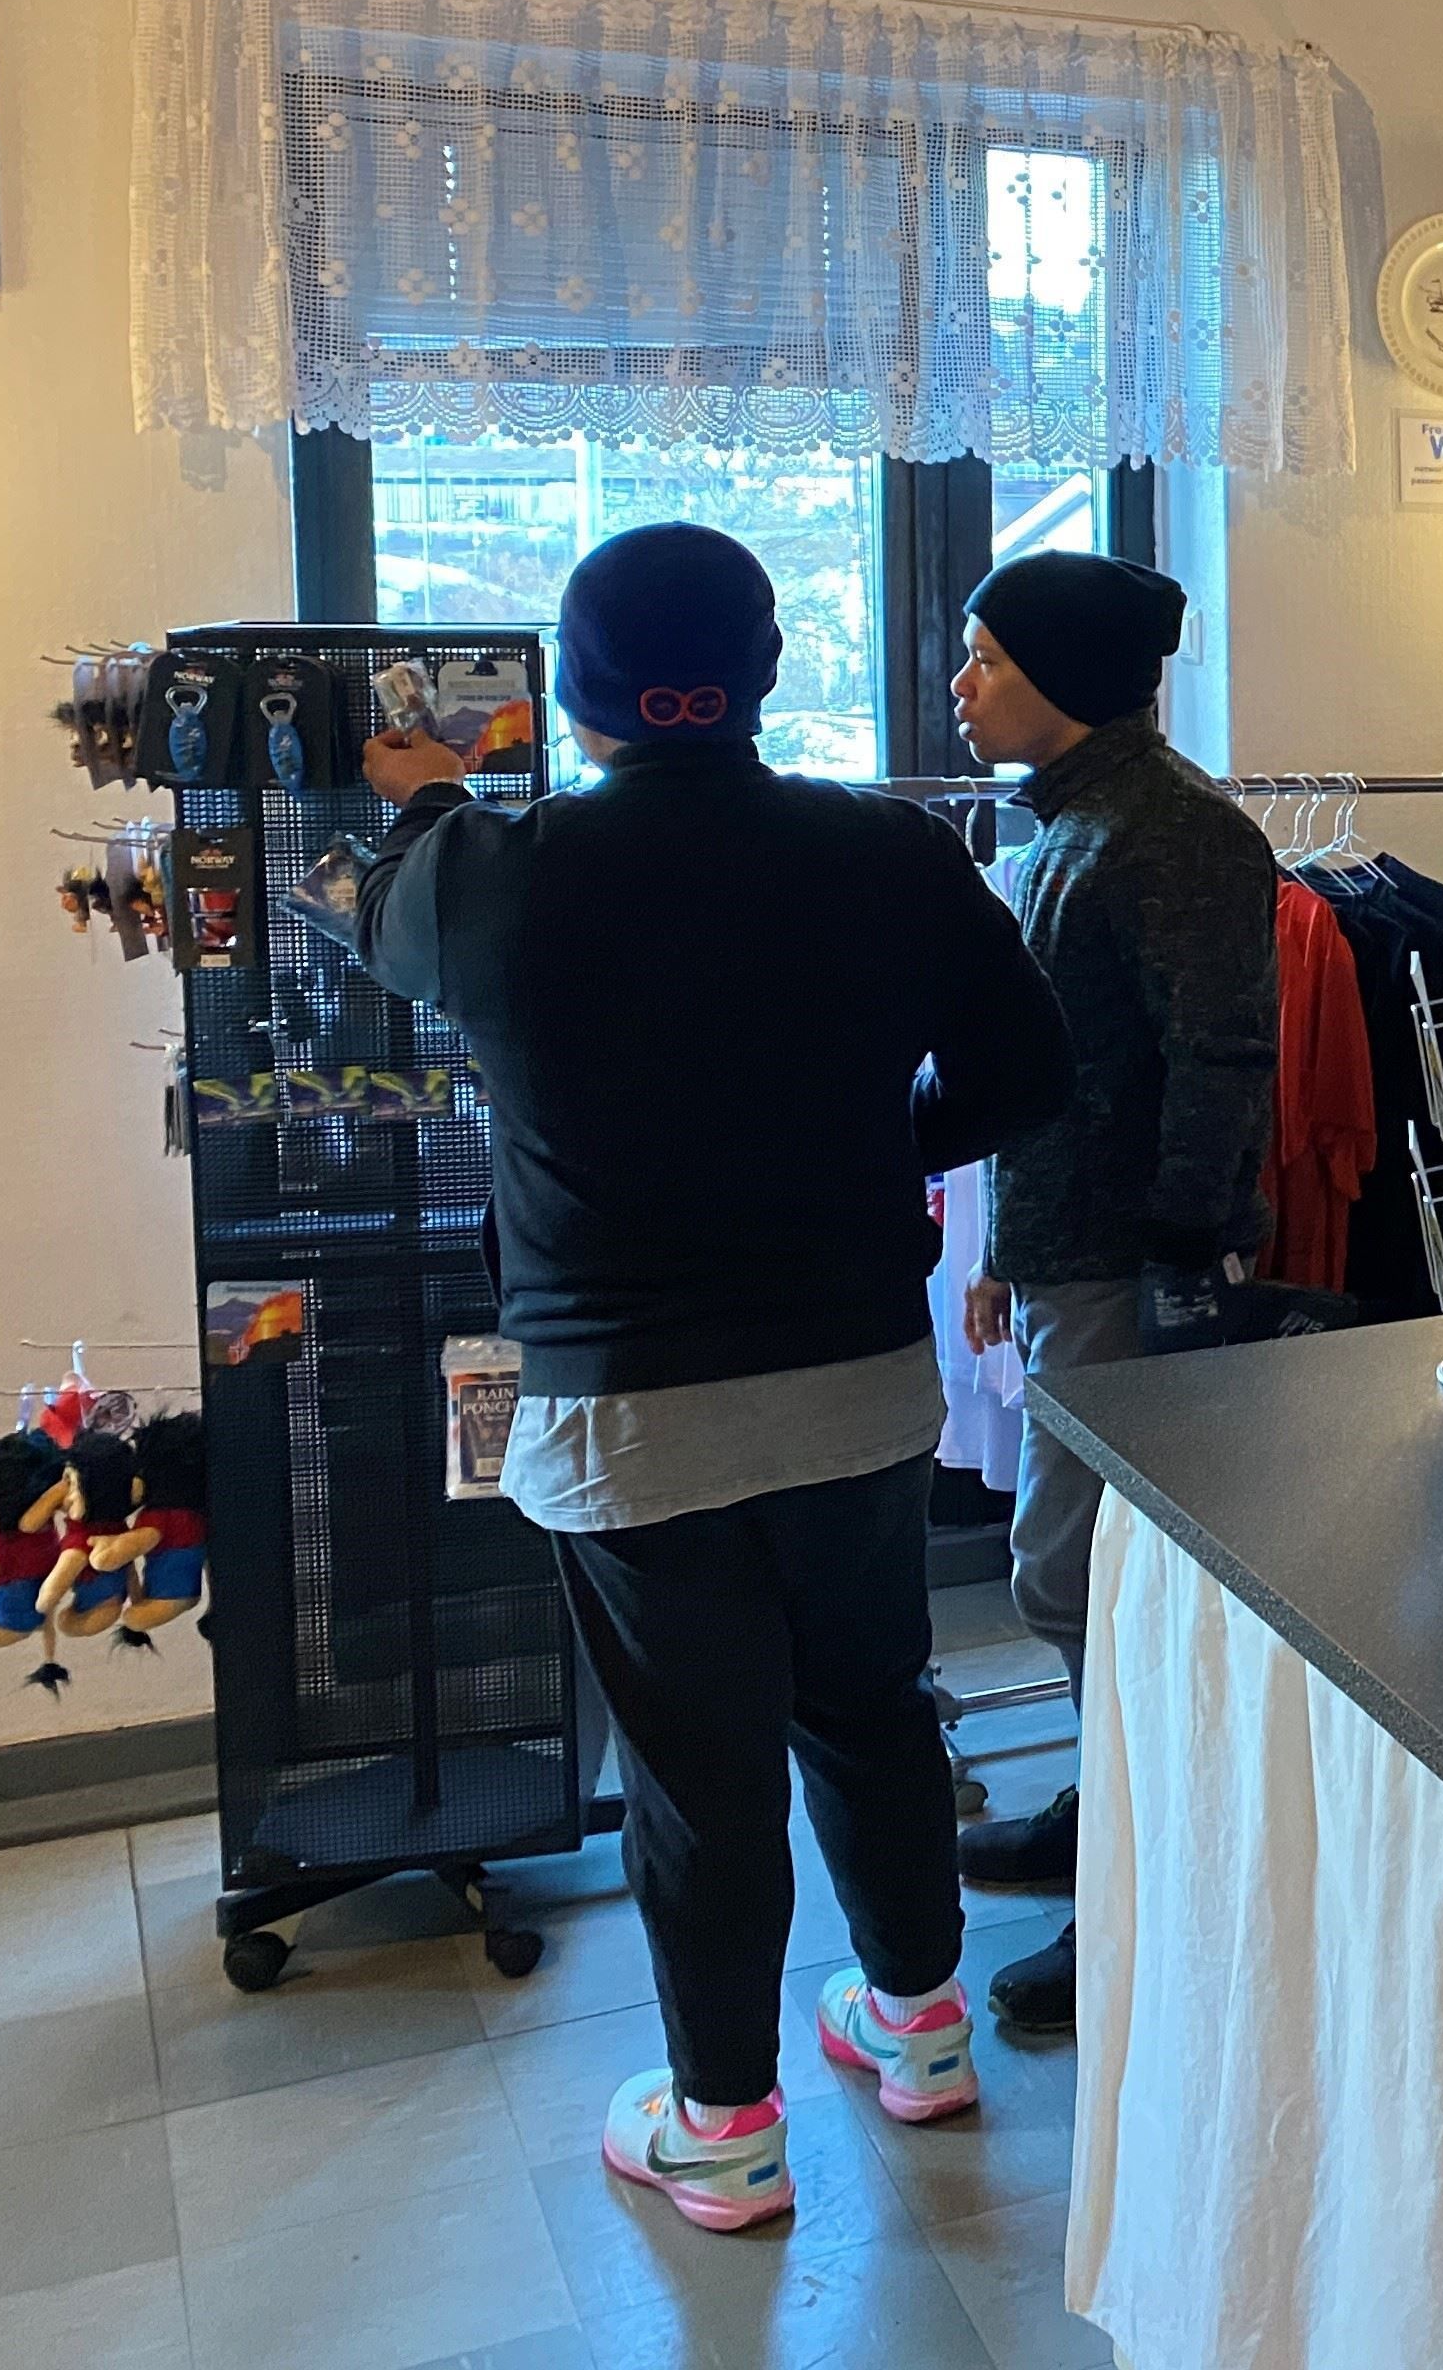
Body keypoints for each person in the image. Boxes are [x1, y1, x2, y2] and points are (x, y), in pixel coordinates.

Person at [357, 524, 1073, 2232]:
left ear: (577, 694)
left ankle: (725, 2122)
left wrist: (425, 790)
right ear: (764, 671)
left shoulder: (493, 869)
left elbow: (389, 922)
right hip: (856, 1372)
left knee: (697, 1768)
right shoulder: (886, 850)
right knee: (874, 1705)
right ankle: (919, 2026)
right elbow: (1028, 1071)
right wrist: (886, 1144)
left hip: (627, 1408)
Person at [946, 549, 1279, 2035]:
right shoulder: (1072, 822)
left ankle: (1147, 1895)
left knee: (1091, 1580)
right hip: (1069, 1254)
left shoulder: (1180, 834)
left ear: (1068, 676)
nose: (963, 687)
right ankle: (1106, 1814)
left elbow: (1224, 1060)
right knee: (1077, 1575)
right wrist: (1002, 1252)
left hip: (1135, 1272)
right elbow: (1049, 1070)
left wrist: (1178, 1260)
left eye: (989, 659)